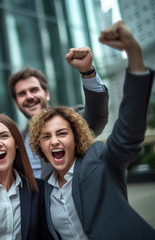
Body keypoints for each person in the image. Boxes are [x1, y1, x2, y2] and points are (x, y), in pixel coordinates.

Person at [29, 21, 155, 240]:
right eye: (46, 136)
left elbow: (127, 134)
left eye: (62, 133)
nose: (54, 141)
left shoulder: (97, 159)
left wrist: (134, 53)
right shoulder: (46, 184)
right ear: (39, 145)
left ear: (76, 137)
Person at [8, 47, 109, 179]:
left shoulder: (71, 120)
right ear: (16, 103)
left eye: (34, 90)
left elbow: (96, 117)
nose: (29, 97)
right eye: (22, 94)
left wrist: (87, 72)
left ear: (47, 94)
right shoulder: (17, 141)